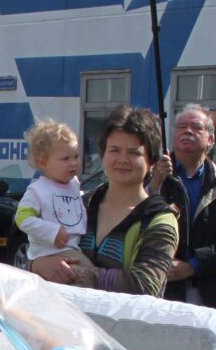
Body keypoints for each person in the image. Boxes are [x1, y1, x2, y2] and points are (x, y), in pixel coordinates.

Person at [31, 107, 179, 297]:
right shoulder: (81, 204)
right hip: (64, 315)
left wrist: (81, 273)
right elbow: (37, 253)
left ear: (151, 162)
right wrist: (36, 265)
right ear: (103, 154)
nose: (122, 160)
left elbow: (146, 286)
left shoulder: (159, 220)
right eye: (114, 150)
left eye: (134, 153)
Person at [147, 104, 216, 312]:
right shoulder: (154, 177)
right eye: (181, 126)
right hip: (163, 292)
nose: (187, 131)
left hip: (215, 295)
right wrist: (155, 184)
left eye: (196, 127)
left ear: (210, 139)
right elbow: (135, 219)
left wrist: (193, 266)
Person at [15, 121, 90, 267]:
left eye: (76, 156)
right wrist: (51, 231)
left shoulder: (74, 184)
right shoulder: (37, 190)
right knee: (89, 272)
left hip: (72, 249)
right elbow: (22, 218)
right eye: (65, 159)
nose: (73, 163)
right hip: (50, 252)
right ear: (43, 163)